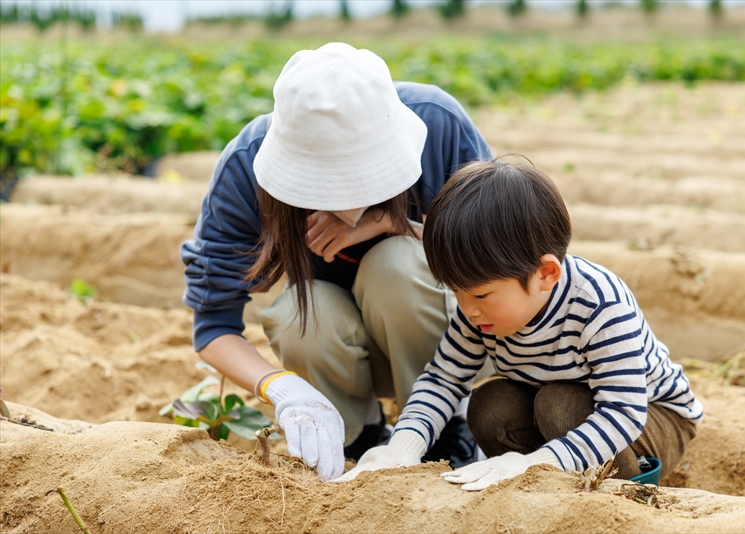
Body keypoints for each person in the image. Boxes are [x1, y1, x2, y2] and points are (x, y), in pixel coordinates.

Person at [180, 43, 492, 481]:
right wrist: (281, 388)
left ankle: (447, 431)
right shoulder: (244, 168)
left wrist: (393, 223)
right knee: (300, 314)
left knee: (395, 266)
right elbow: (212, 326)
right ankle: (355, 437)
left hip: (447, 347)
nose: (345, 204)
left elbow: (502, 256)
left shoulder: (438, 123)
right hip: (343, 354)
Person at [335, 157, 703, 489]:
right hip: (564, 405)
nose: (467, 309)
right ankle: (546, 483)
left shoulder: (599, 305)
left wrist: (535, 462)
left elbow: (623, 411)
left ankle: (620, 484)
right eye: (455, 292)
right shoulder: (476, 312)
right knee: (491, 405)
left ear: (545, 273)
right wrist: (400, 450)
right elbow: (444, 378)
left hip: (652, 418)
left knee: (559, 406)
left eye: (480, 295)